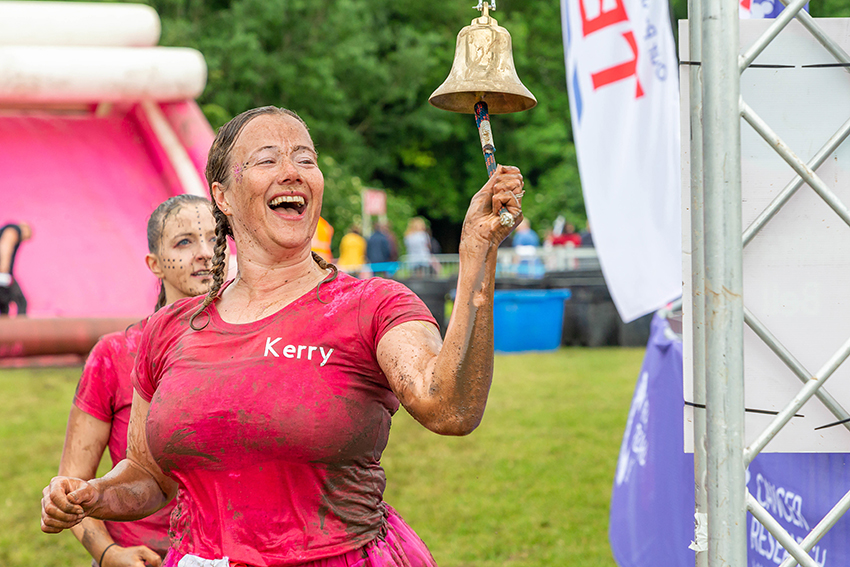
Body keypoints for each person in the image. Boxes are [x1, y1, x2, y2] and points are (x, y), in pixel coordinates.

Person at [41, 106, 525, 567]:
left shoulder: (372, 305)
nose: (292, 171)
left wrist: (476, 255)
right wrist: (94, 495)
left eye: (306, 159)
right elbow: (150, 478)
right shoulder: (170, 330)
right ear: (224, 197)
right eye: (268, 159)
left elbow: (450, 408)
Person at [58, 195, 220, 567]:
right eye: (184, 242)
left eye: (215, 239)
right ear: (155, 264)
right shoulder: (115, 354)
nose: (205, 253)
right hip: (145, 558)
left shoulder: (252, 343)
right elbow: (72, 482)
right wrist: (109, 553)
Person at [0, 221, 32, 316]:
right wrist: (4, 271)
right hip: (3, 273)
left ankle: (4, 329)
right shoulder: (14, 230)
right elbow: (5, 247)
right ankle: (23, 330)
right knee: (21, 301)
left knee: (3, 304)